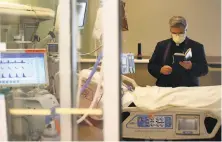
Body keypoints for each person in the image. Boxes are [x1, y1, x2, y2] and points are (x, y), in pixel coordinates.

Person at [148, 16, 208, 87]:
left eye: (180, 33)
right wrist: (160, 70)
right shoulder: (162, 46)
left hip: (189, 87)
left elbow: (204, 69)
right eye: (174, 33)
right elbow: (151, 66)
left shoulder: (197, 47)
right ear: (170, 30)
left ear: (186, 30)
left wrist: (192, 66)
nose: (177, 36)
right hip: (165, 86)